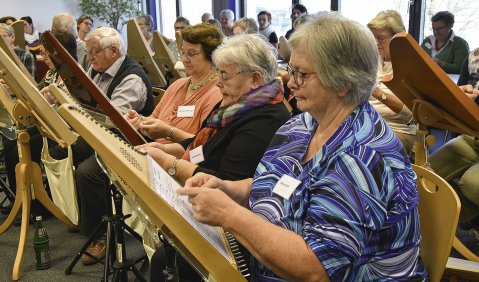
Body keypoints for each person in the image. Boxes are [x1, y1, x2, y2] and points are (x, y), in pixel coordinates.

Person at [178, 13, 427, 281]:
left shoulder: (361, 158)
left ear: (342, 83)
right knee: (183, 256)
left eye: (301, 74)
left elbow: (316, 269)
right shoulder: (304, 124)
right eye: (292, 71)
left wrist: (229, 215)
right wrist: (228, 189)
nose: (291, 82)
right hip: (273, 262)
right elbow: (279, 183)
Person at [146, 33, 291, 281]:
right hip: (206, 200)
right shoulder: (237, 105)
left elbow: (225, 182)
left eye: (224, 75)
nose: (217, 83)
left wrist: (170, 165)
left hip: (232, 218)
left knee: (169, 259)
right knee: (166, 256)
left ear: (255, 78)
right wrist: (174, 149)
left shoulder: (265, 118)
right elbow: (203, 146)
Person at [48, 26, 154, 266]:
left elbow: (111, 120)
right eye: (87, 51)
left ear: (113, 50)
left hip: (126, 143)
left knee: (88, 173)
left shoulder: (131, 78)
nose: (88, 57)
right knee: (61, 151)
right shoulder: (97, 68)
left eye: (94, 51)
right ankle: (85, 217)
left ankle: (104, 238)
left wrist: (74, 108)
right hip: (100, 134)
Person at [126, 23, 223, 145]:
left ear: (211, 55)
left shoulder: (218, 92)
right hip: (157, 154)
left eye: (192, 53)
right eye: (183, 52)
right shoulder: (177, 85)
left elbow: (204, 145)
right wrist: (139, 121)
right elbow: (153, 119)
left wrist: (168, 132)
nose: (185, 59)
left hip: (184, 161)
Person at [429, 48, 479, 232]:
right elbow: (462, 92)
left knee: (472, 184)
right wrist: (463, 94)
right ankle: (470, 221)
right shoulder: (473, 56)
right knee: (428, 173)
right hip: (473, 136)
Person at [367, 10, 415, 155]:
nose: (376, 43)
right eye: (373, 37)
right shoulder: (373, 61)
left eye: (380, 38)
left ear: (397, 38)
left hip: (398, 130)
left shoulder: (411, 65)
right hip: (369, 125)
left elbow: (410, 113)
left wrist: (375, 91)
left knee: (366, 152)